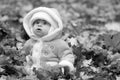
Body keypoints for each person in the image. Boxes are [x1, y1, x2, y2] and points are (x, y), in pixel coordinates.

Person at [22, 7, 75, 74]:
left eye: (44, 23)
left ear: (52, 28)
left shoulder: (59, 43)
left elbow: (66, 55)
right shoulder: (30, 42)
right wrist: (26, 61)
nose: (39, 25)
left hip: (52, 71)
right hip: (33, 70)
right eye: (37, 22)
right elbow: (23, 54)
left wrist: (65, 65)